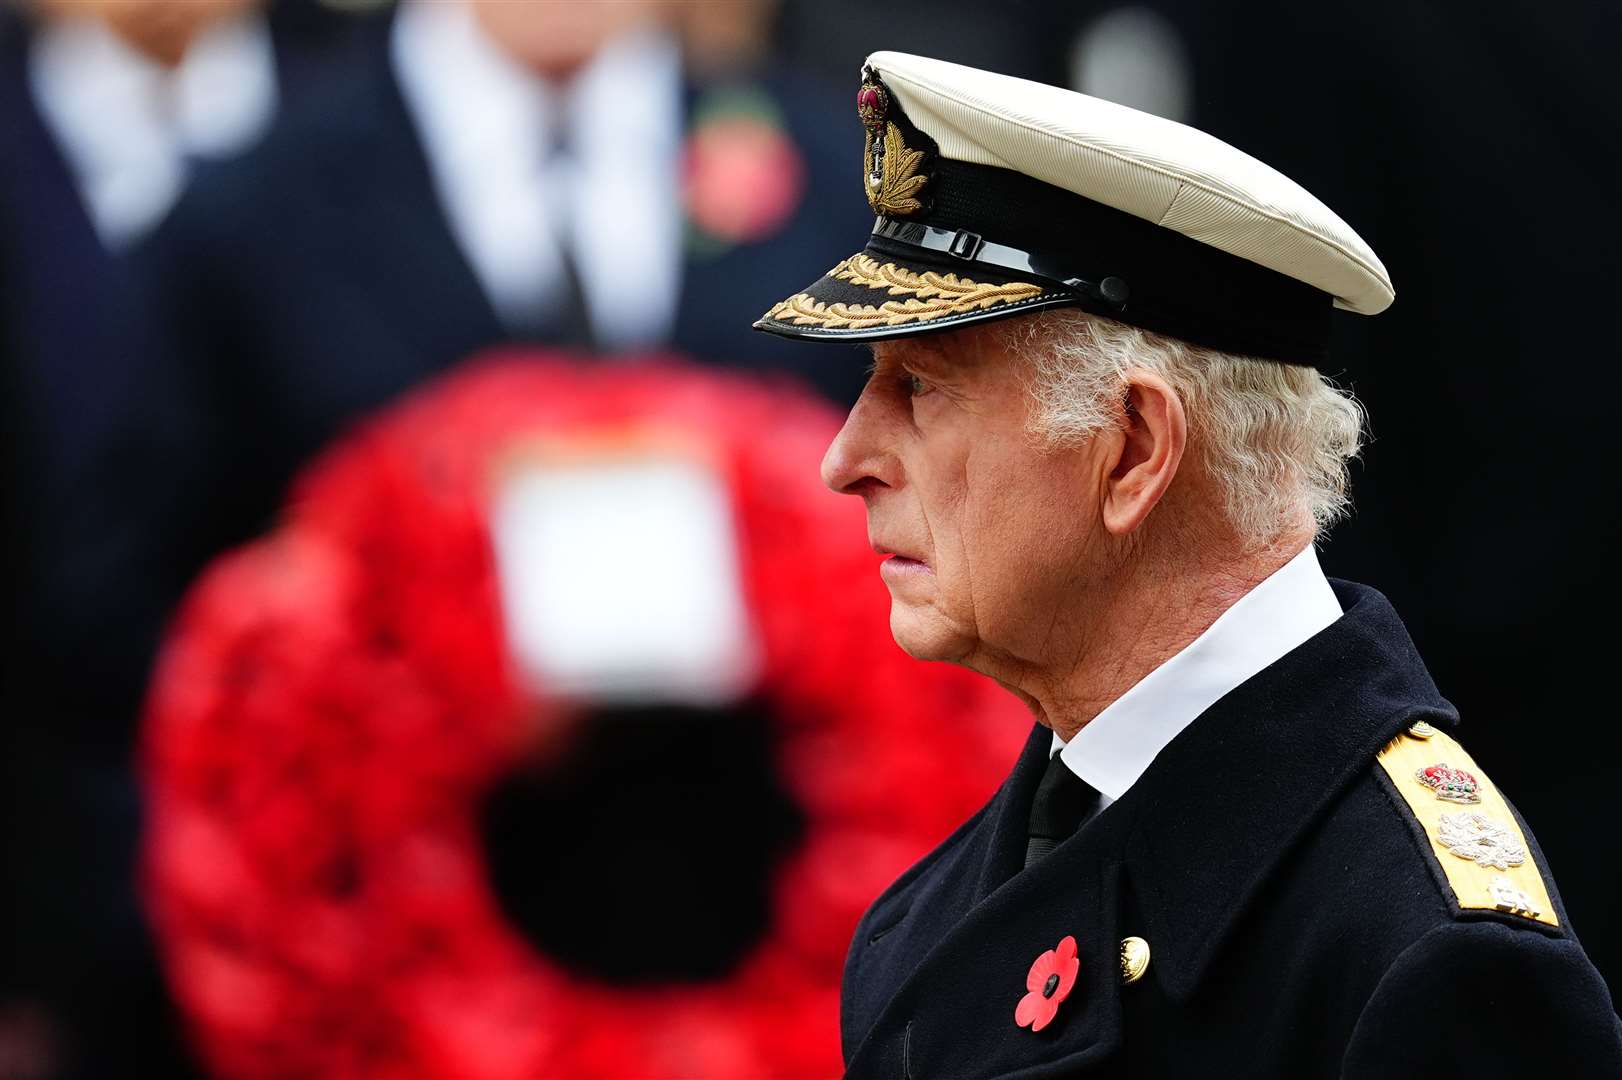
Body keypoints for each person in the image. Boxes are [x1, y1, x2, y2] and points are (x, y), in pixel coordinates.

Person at [752, 51, 1622, 1076]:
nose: (842, 460)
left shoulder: (1420, 952)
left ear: (1130, 449)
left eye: (920, 389)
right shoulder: (945, 900)